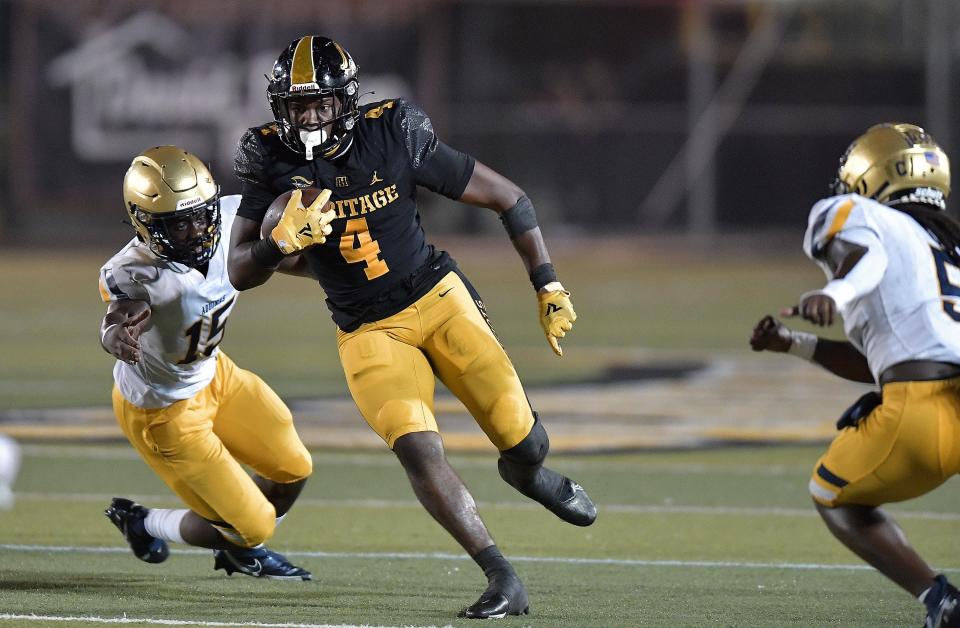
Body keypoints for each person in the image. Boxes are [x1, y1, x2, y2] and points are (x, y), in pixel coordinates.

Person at [228, 35, 597, 618]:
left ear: (346, 100)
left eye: (321, 104)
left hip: (437, 296)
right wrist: (275, 246)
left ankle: (529, 477)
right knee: (419, 450)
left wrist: (547, 283)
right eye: (298, 106)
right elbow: (239, 269)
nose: (310, 117)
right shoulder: (270, 156)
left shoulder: (392, 130)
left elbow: (509, 197)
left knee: (526, 443)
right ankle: (501, 575)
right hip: (367, 328)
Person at [750, 123, 960, 627]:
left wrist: (835, 293)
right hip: (934, 386)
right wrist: (794, 344)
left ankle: (941, 601)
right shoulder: (948, 246)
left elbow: (869, 259)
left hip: (923, 413)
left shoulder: (858, 217)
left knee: (832, 493)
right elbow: (879, 360)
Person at [99, 145, 322, 580]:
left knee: (294, 467)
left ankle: (239, 545)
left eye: (201, 214)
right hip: (162, 411)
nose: (196, 229)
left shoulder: (235, 217)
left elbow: (284, 257)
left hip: (217, 375)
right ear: (145, 223)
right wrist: (114, 334)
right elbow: (119, 313)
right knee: (253, 525)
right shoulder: (134, 270)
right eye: (177, 222)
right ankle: (145, 522)